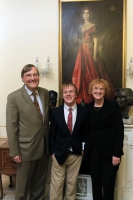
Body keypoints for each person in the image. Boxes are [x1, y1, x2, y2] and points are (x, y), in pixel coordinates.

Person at [6, 64, 50, 200]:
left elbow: (44, 120)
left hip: (44, 147)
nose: (33, 78)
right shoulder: (14, 97)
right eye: (28, 75)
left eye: (35, 74)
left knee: (39, 184)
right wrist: (15, 152)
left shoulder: (44, 93)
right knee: (23, 187)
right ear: (22, 79)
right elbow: (11, 126)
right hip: (25, 150)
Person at [84, 78, 124, 200]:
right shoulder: (87, 108)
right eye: (95, 88)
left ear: (105, 91)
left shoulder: (113, 106)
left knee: (108, 185)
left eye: (101, 89)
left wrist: (117, 153)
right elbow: (85, 130)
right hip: (93, 153)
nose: (98, 91)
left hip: (110, 153)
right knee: (95, 184)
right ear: (91, 90)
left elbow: (119, 131)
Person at [49, 82, 87, 200]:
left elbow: (85, 132)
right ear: (62, 95)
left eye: (71, 91)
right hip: (59, 153)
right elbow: (52, 134)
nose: (68, 94)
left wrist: (83, 149)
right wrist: (52, 152)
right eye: (65, 92)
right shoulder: (56, 112)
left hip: (76, 154)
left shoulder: (83, 111)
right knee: (57, 185)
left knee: (72, 184)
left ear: (76, 94)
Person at [72, 6, 115, 104]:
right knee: (80, 73)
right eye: (84, 13)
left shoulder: (93, 26)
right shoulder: (80, 27)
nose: (86, 15)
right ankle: (82, 95)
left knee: (91, 72)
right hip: (81, 51)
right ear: (82, 15)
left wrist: (95, 55)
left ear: (90, 15)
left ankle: (91, 95)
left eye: (87, 13)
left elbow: (96, 43)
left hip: (89, 52)